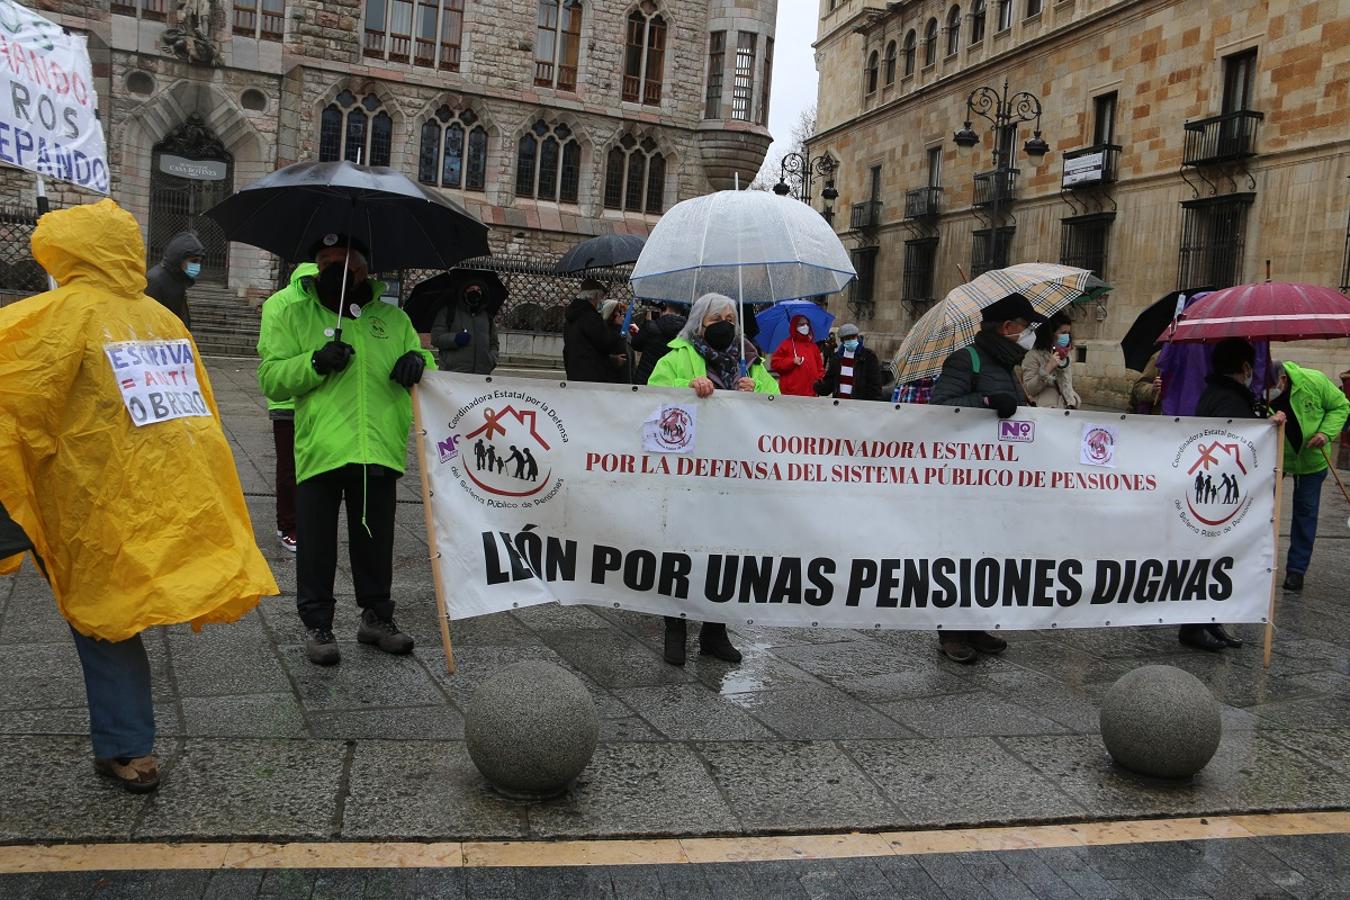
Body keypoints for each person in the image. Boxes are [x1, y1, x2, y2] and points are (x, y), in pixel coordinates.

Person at [0, 199, 276, 792]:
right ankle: (129, 747)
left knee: (104, 616)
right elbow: (197, 413)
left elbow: (17, 410)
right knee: (110, 615)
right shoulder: (161, 318)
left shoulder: (48, 318)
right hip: (146, 491)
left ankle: (127, 743)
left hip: (77, 497)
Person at [258, 233, 434, 666]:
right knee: (316, 544)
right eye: (325, 261)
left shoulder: (393, 320)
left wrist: (419, 365)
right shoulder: (294, 314)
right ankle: (318, 623)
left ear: (363, 269)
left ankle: (376, 617)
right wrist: (315, 363)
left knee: (374, 541)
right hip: (322, 448)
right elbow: (272, 377)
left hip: (378, 448)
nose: (334, 268)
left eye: (344, 261)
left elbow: (426, 365)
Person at [648, 292, 780, 666]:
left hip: (734, 476)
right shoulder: (676, 357)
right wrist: (687, 390)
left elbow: (780, 404)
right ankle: (675, 630)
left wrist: (758, 392)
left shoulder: (751, 362)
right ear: (699, 322)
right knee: (681, 551)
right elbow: (651, 401)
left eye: (730, 318)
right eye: (716, 318)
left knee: (725, 553)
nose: (725, 324)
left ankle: (714, 633)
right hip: (687, 475)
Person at [929, 293, 1047, 663]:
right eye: (1026, 327)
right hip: (966, 480)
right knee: (961, 552)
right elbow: (940, 407)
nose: (1030, 335)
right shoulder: (967, 358)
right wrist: (985, 402)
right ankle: (951, 632)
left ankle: (974, 624)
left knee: (988, 553)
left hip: (1001, 480)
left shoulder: (1008, 362)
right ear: (1008, 327)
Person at [1186, 338, 1275, 651]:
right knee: (1211, 557)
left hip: (1213, 495)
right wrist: (1265, 428)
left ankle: (1211, 620)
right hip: (1219, 496)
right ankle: (1194, 627)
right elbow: (1236, 445)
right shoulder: (1229, 399)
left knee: (1215, 558)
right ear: (1246, 368)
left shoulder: (1221, 393)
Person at [1267, 358, 1350, 592]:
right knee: (1263, 509)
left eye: (1272, 387)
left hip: (1313, 456)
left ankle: (1296, 570)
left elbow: (1341, 406)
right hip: (1276, 457)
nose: (1269, 393)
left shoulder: (1314, 380)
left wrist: (1326, 432)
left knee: (1305, 512)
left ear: (1283, 379)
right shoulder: (1260, 391)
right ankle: (1261, 565)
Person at [258, 262, 318, 553]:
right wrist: (312, 360)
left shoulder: (328, 301)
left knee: (314, 469)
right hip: (287, 400)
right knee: (289, 468)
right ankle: (288, 525)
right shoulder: (279, 303)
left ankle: (303, 522)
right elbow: (270, 350)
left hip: (319, 395)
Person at [429, 271, 500, 375]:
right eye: (471, 289)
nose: (475, 292)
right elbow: (436, 338)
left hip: (481, 374)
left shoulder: (487, 316)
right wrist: (455, 339)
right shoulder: (449, 311)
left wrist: (491, 360)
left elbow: (494, 343)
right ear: (464, 291)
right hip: (453, 373)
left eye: (479, 290)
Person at [563, 278, 627, 382]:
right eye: (601, 297)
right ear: (595, 296)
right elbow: (605, 342)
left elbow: (588, 347)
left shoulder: (573, 315)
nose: (601, 301)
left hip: (574, 370)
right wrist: (617, 329)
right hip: (591, 374)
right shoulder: (590, 317)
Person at [143, 230, 205, 329]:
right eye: (194, 261)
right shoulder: (155, 280)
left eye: (199, 262)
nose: (197, 265)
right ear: (179, 257)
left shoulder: (178, 280)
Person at [1021, 313, 1081, 409]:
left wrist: (1073, 401)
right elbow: (1029, 389)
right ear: (1050, 333)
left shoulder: (1065, 355)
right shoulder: (1033, 355)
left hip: (1065, 412)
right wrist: (1048, 368)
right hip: (1044, 412)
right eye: (1063, 333)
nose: (1067, 336)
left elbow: (1067, 385)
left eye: (1068, 333)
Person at [815, 323, 884, 401]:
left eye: (853, 337)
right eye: (847, 338)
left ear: (857, 337)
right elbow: (829, 384)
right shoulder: (836, 358)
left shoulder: (868, 356)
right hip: (839, 404)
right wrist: (816, 385)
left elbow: (875, 385)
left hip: (859, 405)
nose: (851, 340)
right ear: (842, 340)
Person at [769, 313, 825, 397]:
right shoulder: (786, 344)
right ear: (795, 326)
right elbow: (775, 364)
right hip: (791, 393)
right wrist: (791, 361)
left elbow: (820, 368)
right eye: (802, 324)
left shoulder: (813, 346)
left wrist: (819, 381)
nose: (805, 326)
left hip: (811, 392)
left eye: (807, 324)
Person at [632, 300, 686, 385]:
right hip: (671, 381)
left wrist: (646, 324)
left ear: (664, 307)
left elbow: (636, 344)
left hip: (646, 379)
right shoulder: (686, 332)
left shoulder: (651, 327)